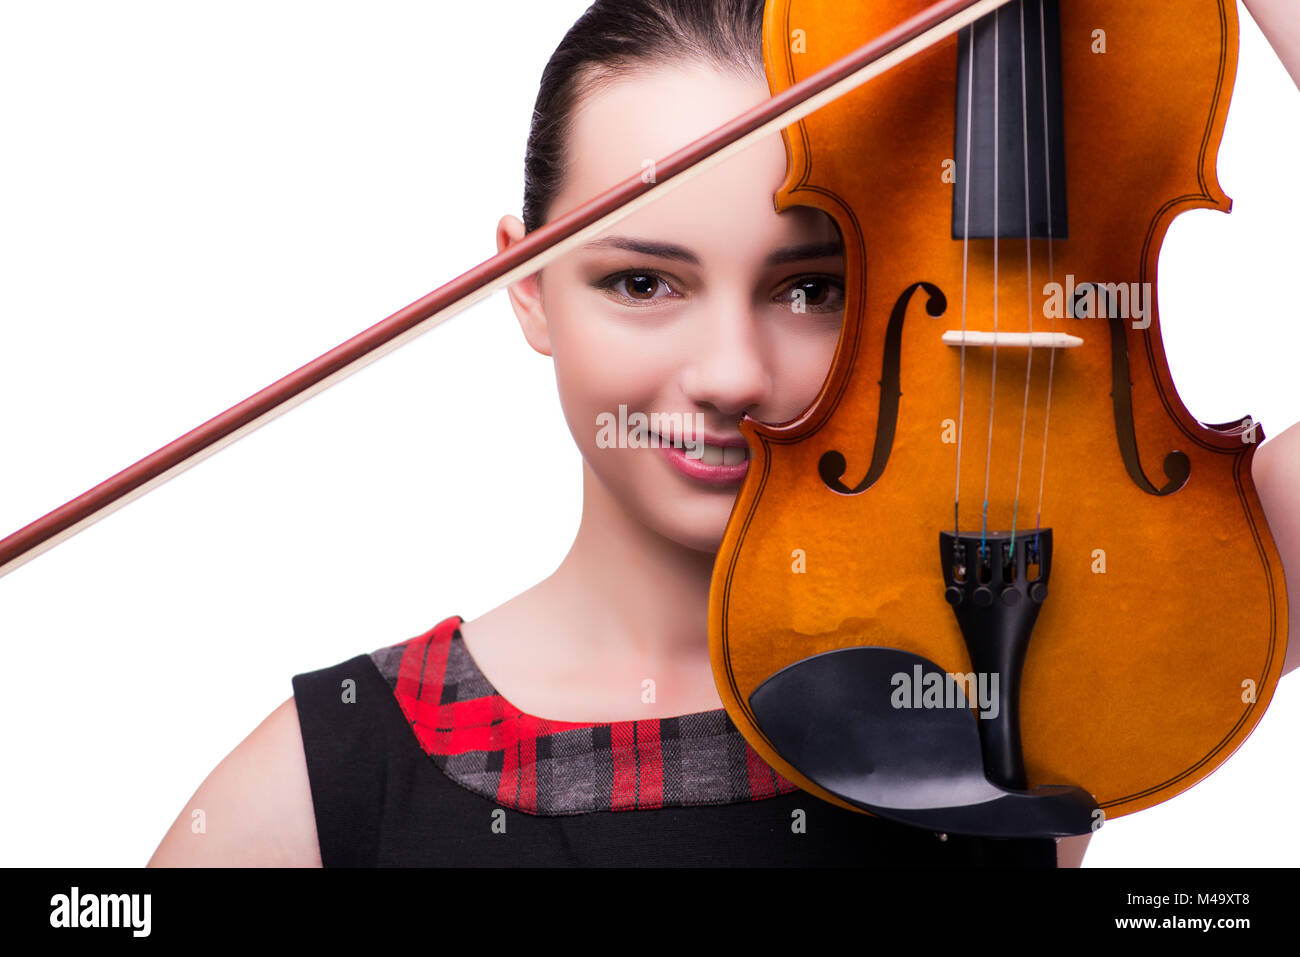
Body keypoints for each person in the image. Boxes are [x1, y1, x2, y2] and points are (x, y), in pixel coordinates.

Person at [147, 0, 1300, 868]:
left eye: (809, 288)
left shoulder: (1041, 642)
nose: (730, 374)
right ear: (529, 286)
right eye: (644, 282)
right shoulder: (317, 787)